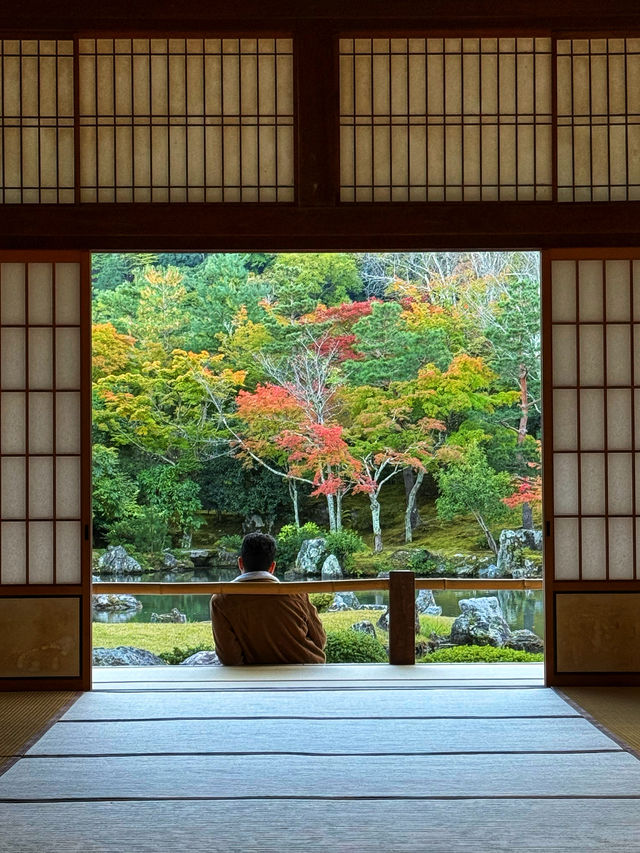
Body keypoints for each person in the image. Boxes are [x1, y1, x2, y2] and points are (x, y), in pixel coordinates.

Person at [210, 532, 326, 665]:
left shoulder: (221, 600)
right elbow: (320, 640)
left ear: (240, 563)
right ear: (272, 567)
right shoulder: (296, 594)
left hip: (258, 679)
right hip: (308, 673)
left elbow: (230, 658)